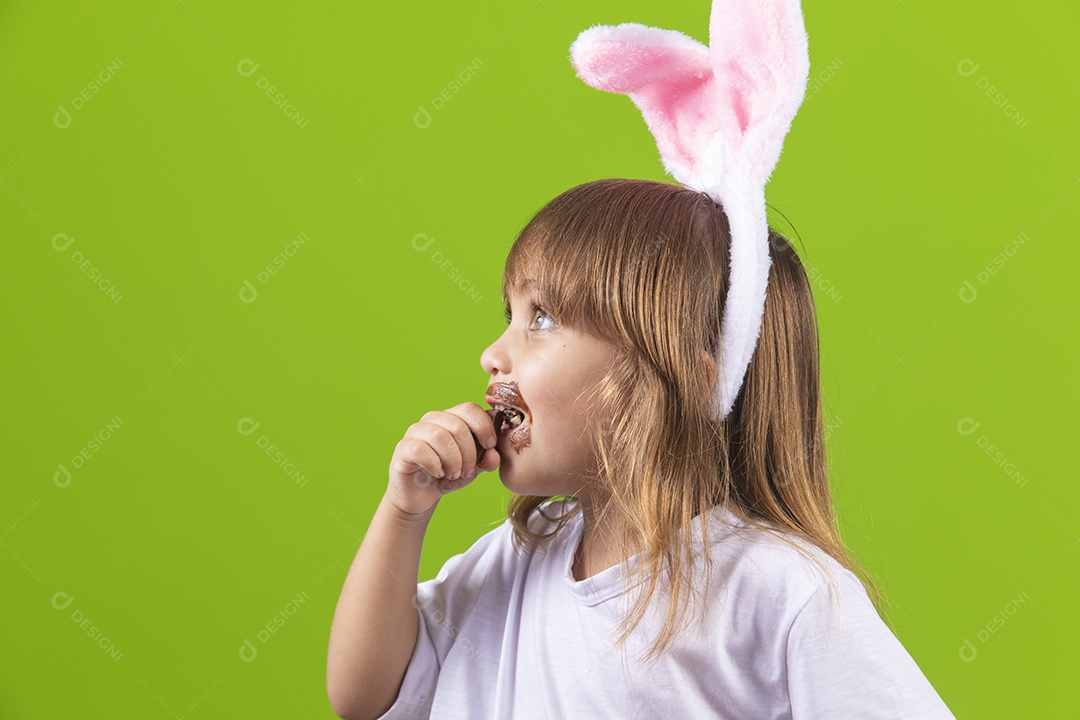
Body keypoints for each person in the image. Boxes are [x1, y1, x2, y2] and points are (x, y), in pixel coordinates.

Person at [328, 2, 956, 718]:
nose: (493, 353)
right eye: (511, 316)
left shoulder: (776, 590)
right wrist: (404, 513)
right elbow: (363, 696)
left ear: (680, 377)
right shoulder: (522, 554)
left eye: (543, 319)